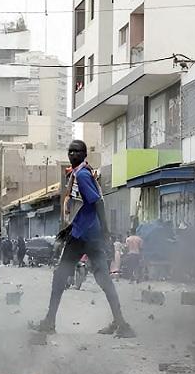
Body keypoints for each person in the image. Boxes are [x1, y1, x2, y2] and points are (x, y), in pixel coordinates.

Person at [31, 140, 136, 338]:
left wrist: (106, 231)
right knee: (103, 279)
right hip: (83, 233)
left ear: (84, 154)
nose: (73, 154)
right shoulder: (78, 173)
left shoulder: (82, 174)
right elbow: (83, 206)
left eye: (77, 151)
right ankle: (121, 323)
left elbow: (97, 203)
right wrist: (70, 227)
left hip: (86, 236)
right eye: (70, 151)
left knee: (61, 277)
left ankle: (50, 322)